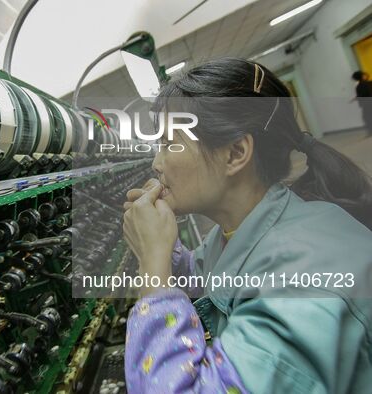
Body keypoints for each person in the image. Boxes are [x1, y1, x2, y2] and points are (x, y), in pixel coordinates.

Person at [122, 58, 372, 393]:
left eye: (169, 143)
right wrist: (159, 244)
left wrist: (153, 265)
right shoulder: (237, 230)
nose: (157, 163)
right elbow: (206, 276)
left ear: (236, 153)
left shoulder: (304, 276)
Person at [352, 70, 372, 135]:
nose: (365, 76)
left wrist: (357, 98)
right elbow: (362, 94)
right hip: (368, 103)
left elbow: (362, 95)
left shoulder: (359, 86)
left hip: (367, 103)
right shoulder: (368, 83)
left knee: (366, 117)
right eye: (364, 75)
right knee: (367, 117)